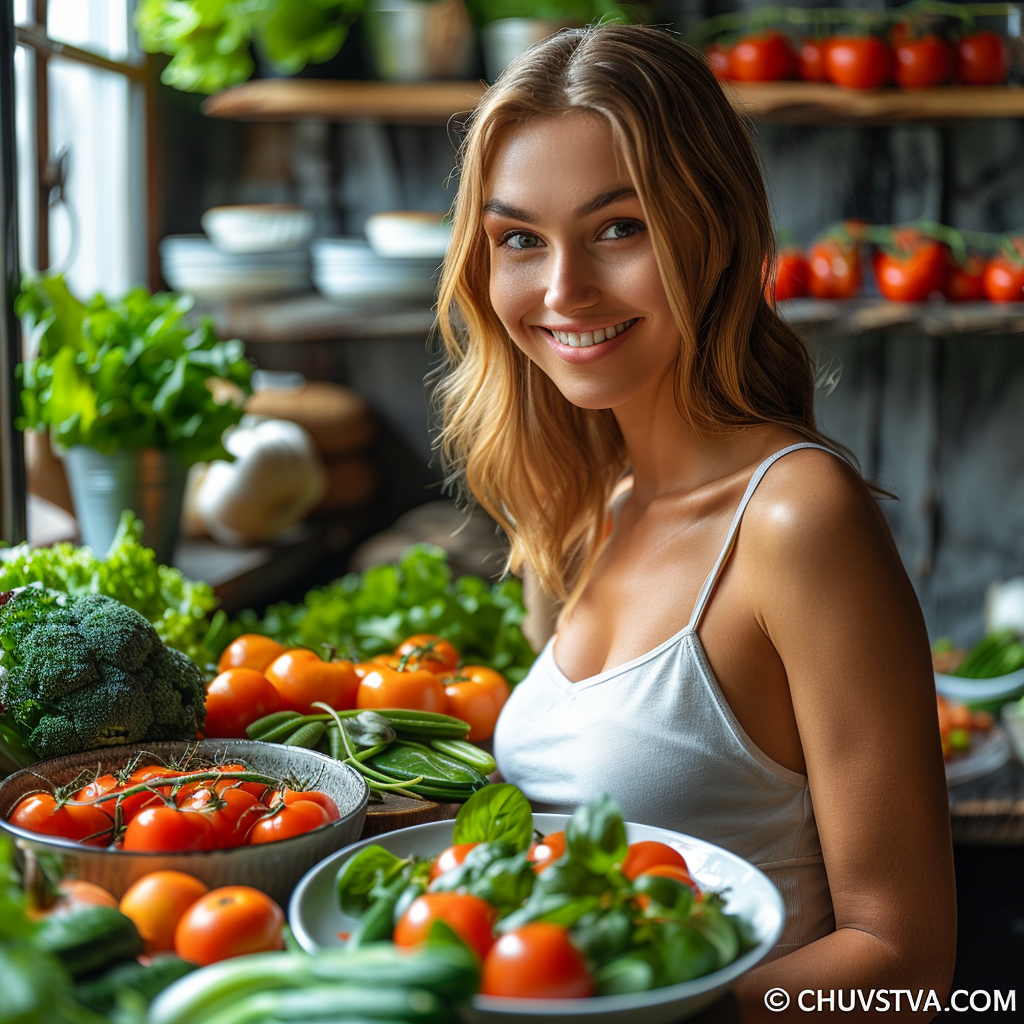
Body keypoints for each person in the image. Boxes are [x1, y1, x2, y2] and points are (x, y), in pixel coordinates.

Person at [431, 23, 955, 1020]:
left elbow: (904, 964)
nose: (560, 290)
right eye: (517, 239)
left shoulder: (799, 518)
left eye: (617, 228)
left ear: (713, 229)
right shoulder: (585, 508)